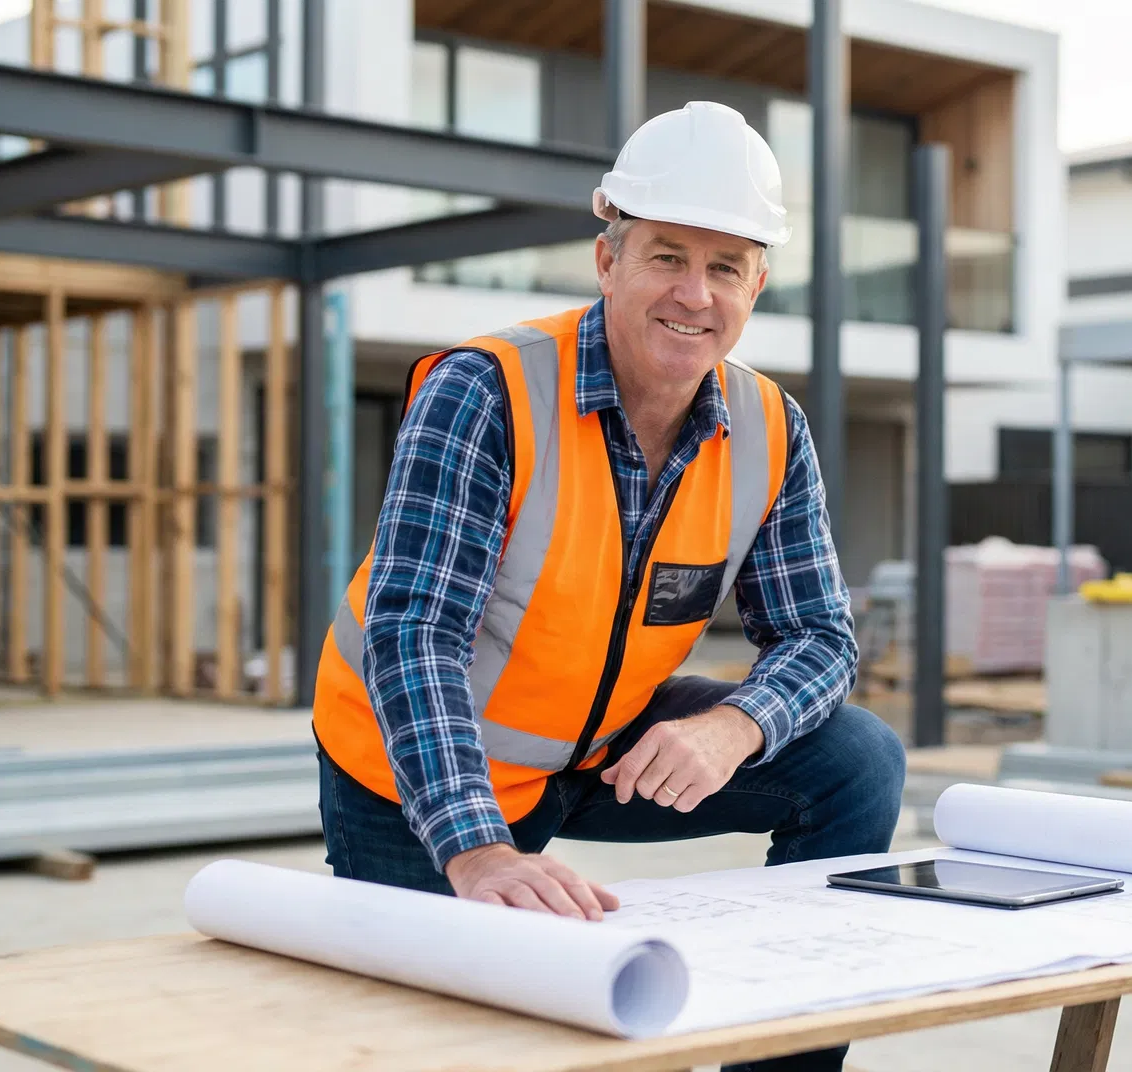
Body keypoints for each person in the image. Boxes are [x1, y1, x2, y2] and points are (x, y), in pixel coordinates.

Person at [311, 101, 906, 1071]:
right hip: (415, 776)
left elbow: (822, 638)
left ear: (757, 283)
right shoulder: (487, 392)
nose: (695, 294)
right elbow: (414, 634)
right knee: (445, 1049)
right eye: (667, 255)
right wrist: (479, 850)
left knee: (859, 762)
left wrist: (735, 725)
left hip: (589, 751)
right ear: (608, 261)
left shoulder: (767, 428)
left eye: (725, 267)